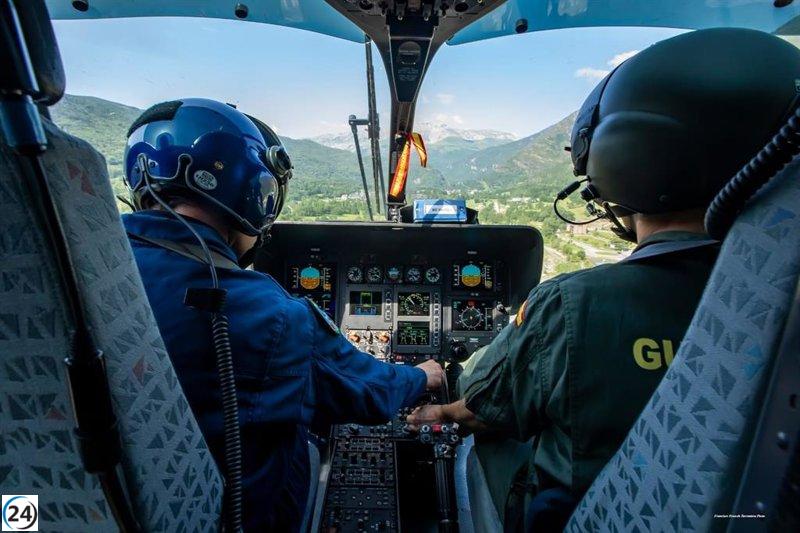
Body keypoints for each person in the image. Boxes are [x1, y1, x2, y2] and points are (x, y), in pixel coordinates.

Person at [406, 28, 800, 531]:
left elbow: (485, 405)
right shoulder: (785, 308)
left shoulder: (574, 304)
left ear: (623, 162)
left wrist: (435, 405)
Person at [121, 98, 443, 531]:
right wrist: (424, 375)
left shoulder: (88, 277)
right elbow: (368, 391)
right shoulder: (271, 314)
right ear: (255, 193)